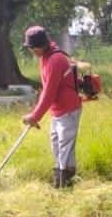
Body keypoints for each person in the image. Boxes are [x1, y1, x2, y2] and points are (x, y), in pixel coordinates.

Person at [20, 25, 82, 188]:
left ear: (39, 46)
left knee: (64, 145)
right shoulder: (45, 58)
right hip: (57, 110)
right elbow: (46, 88)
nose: (31, 51)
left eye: (32, 48)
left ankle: (64, 183)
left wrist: (35, 116)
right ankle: (62, 179)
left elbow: (50, 92)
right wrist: (35, 114)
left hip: (68, 108)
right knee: (56, 144)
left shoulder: (55, 60)